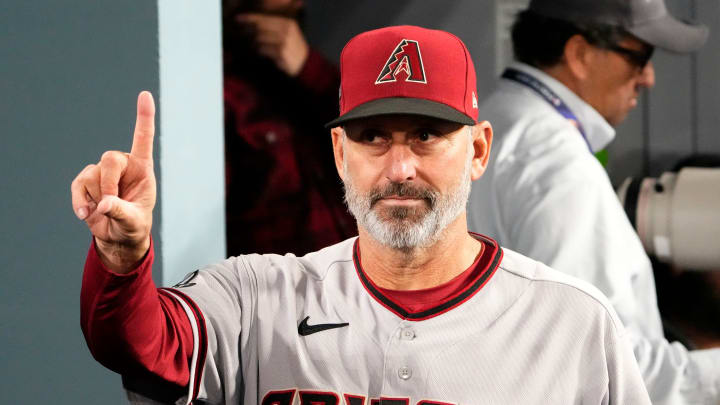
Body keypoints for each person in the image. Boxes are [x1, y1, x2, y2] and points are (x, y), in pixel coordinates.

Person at [72, 26, 651, 404]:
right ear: (340, 154)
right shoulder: (256, 296)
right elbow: (137, 346)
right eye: (373, 137)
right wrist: (122, 258)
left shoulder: (574, 324)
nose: (399, 167)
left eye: (426, 135)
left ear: (477, 151)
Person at [466, 0, 720, 403]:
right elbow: (600, 365)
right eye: (640, 56)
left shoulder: (494, 124)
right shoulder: (558, 166)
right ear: (580, 54)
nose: (649, 77)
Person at [223, 0, 355, 256]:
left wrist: (306, 64)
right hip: (276, 289)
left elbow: (372, 135)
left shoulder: (309, 72)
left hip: (351, 280)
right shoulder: (220, 89)